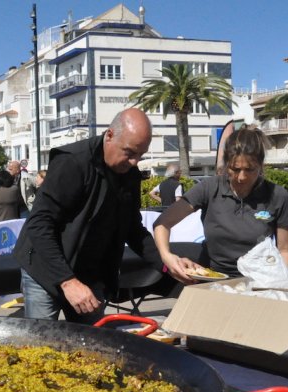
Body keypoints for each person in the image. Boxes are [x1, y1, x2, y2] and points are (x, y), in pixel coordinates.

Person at [14, 108, 172, 324]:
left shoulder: (130, 176)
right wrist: (67, 281)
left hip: (90, 273)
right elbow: (39, 224)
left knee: (93, 344)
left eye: (140, 155)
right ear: (109, 136)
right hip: (46, 268)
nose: (135, 162)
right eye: (129, 152)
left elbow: (132, 229)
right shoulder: (72, 162)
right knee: (41, 341)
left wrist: (166, 263)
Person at [154, 126, 288, 279]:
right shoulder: (208, 188)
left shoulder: (277, 195)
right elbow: (162, 223)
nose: (241, 177)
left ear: (261, 165)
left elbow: (285, 251)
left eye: (249, 169)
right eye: (235, 169)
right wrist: (167, 256)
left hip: (260, 281)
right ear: (227, 165)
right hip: (213, 278)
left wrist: (286, 287)